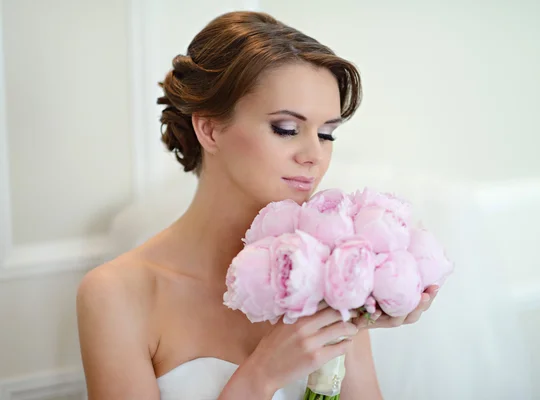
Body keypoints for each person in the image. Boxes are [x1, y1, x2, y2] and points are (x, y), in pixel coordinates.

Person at [76, 11, 439, 400]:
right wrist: (262, 376)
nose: (314, 155)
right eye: (286, 129)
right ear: (210, 129)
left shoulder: (333, 272)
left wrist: (359, 317)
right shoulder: (115, 295)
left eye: (327, 133)